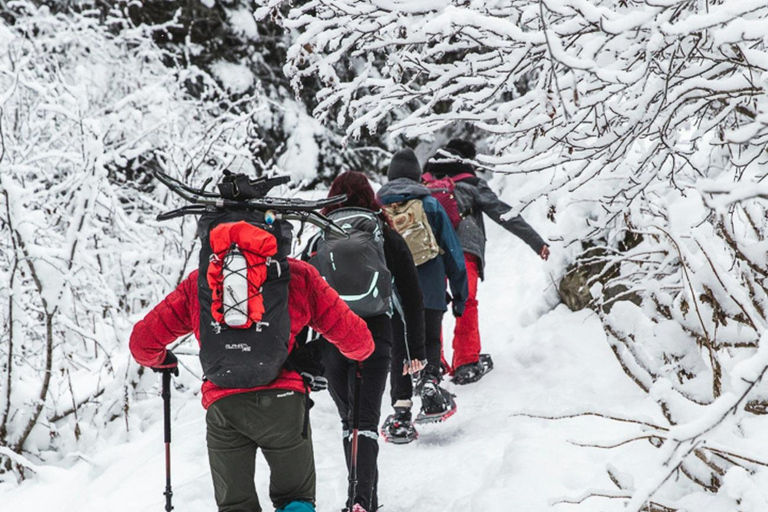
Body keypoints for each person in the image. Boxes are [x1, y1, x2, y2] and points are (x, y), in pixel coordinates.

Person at [129, 252, 375, 512]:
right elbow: (360, 344)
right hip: (283, 406)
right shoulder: (297, 275)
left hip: (224, 406)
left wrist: (162, 360)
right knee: (295, 499)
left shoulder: (202, 279)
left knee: (235, 506)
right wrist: (319, 353)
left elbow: (141, 344)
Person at [303, 171, 426, 512]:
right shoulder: (383, 234)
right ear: (369, 197)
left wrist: (297, 353)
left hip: (333, 335)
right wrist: (415, 349)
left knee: (349, 422)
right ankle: (361, 501)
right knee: (367, 420)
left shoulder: (318, 239)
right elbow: (413, 294)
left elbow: (298, 294)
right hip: (375, 332)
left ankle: (361, 499)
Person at [423, 139, 550, 385]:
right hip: (463, 250)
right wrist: (537, 242)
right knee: (466, 302)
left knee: (432, 306)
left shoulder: (425, 183)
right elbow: (504, 214)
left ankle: (432, 363)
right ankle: (466, 363)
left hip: (430, 251)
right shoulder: (471, 183)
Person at [376, 148, 468, 440]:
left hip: (393, 293)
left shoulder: (377, 208)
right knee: (429, 338)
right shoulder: (429, 203)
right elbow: (453, 251)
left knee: (399, 350)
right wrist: (460, 294)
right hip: (429, 288)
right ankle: (429, 388)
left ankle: (401, 414)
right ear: (418, 176)